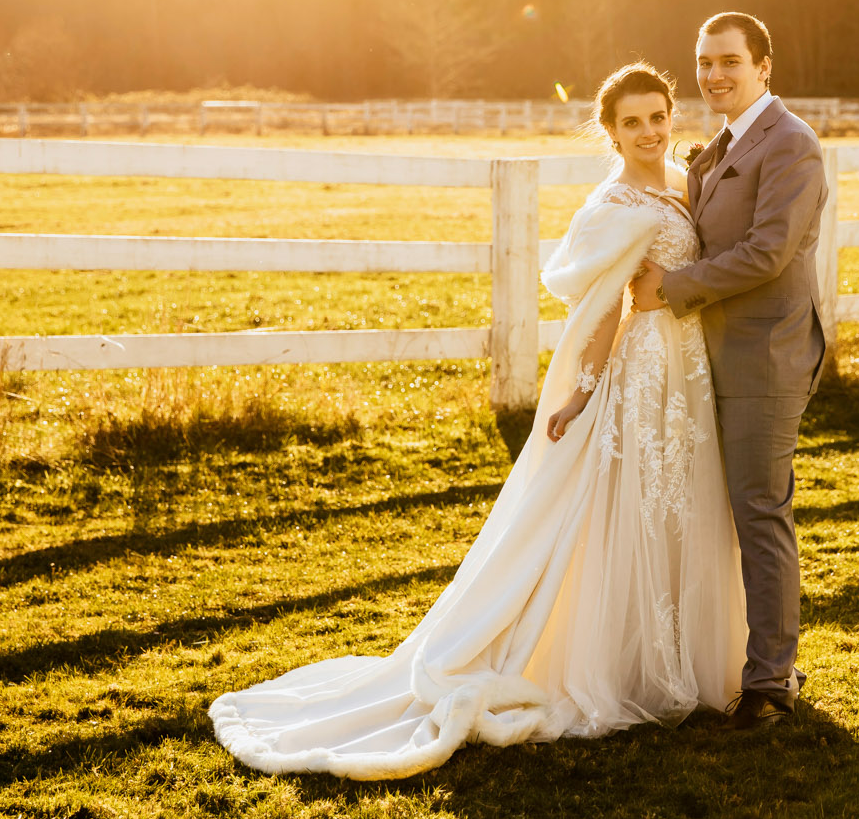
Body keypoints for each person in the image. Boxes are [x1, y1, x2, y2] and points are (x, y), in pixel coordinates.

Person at [210, 62, 747, 780]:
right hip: (646, 372)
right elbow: (602, 314)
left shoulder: (683, 183)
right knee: (638, 508)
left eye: (658, 116)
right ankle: (628, 662)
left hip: (689, 368)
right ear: (610, 131)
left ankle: (679, 653)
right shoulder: (618, 203)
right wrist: (583, 392)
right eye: (632, 122)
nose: (649, 131)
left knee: (682, 507)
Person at [630, 11, 828, 729]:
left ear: (764, 65)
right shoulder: (720, 145)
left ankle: (772, 681)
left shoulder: (791, 145)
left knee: (759, 510)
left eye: (730, 62)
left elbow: (768, 252)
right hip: (707, 356)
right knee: (717, 512)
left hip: (763, 354)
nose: (715, 74)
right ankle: (710, 658)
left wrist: (672, 289)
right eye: (705, 62)